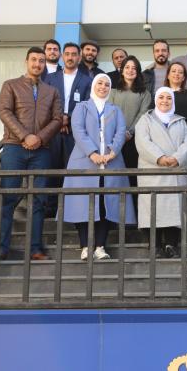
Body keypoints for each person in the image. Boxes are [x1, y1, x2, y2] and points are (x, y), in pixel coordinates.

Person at [0, 46, 63, 260]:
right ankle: (1, 248)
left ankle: (35, 248)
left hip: (41, 150)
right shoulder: (10, 85)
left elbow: (57, 119)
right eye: (34, 60)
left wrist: (39, 138)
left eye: (41, 61)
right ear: (26, 62)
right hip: (14, 147)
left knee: (39, 200)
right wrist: (25, 136)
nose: (37, 64)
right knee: (8, 198)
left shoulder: (52, 91)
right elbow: (5, 112)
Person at [63, 74, 136, 260]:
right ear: (93, 86)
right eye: (100, 83)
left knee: (106, 205)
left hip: (111, 163)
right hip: (84, 162)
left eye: (107, 84)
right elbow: (78, 131)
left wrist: (112, 152)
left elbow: (121, 132)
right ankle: (85, 246)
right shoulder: (81, 107)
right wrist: (93, 153)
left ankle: (100, 246)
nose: (103, 87)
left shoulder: (115, 110)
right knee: (83, 205)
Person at [135, 87, 187, 258]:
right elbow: (143, 142)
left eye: (169, 98)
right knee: (152, 209)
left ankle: (171, 244)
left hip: (175, 170)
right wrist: (160, 158)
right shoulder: (145, 120)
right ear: (155, 100)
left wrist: (176, 158)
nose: (165, 101)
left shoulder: (181, 121)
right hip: (153, 171)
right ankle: (155, 246)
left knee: (174, 209)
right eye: (161, 97)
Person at [44, 42, 92, 215]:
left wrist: (69, 118)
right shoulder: (50, 78)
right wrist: (59, 120)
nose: (70, 57)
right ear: (62, 56)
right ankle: (50, 209)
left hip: (75, 132)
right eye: (67, 54)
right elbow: (45, 103)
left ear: (79, 57)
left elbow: (87, 104)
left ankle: (71, 209)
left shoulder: (87, 80)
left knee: (72, 170)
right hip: (53, 131)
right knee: (52, 168)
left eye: (74, 54)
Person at [109, 55, 152, 192]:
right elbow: (110, 113)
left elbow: (143, 114)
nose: (130, 70)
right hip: (114, 138)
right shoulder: (113, 92)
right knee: (114, 175)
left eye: (134, 68)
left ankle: (132, 205)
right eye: (127, 67)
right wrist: (120, 133)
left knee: (132, 175)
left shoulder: (145, 93)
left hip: (134, 139)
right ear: (122, 70)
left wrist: (130, 132)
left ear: (138, 72)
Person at [164, 61, 187, 167]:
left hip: (186, 140)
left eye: (180, 72)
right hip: (164, 141)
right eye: (173, 71)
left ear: (184, 77)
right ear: (168, 75)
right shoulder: (160, 95)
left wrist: (183, 134)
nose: (177, 74)